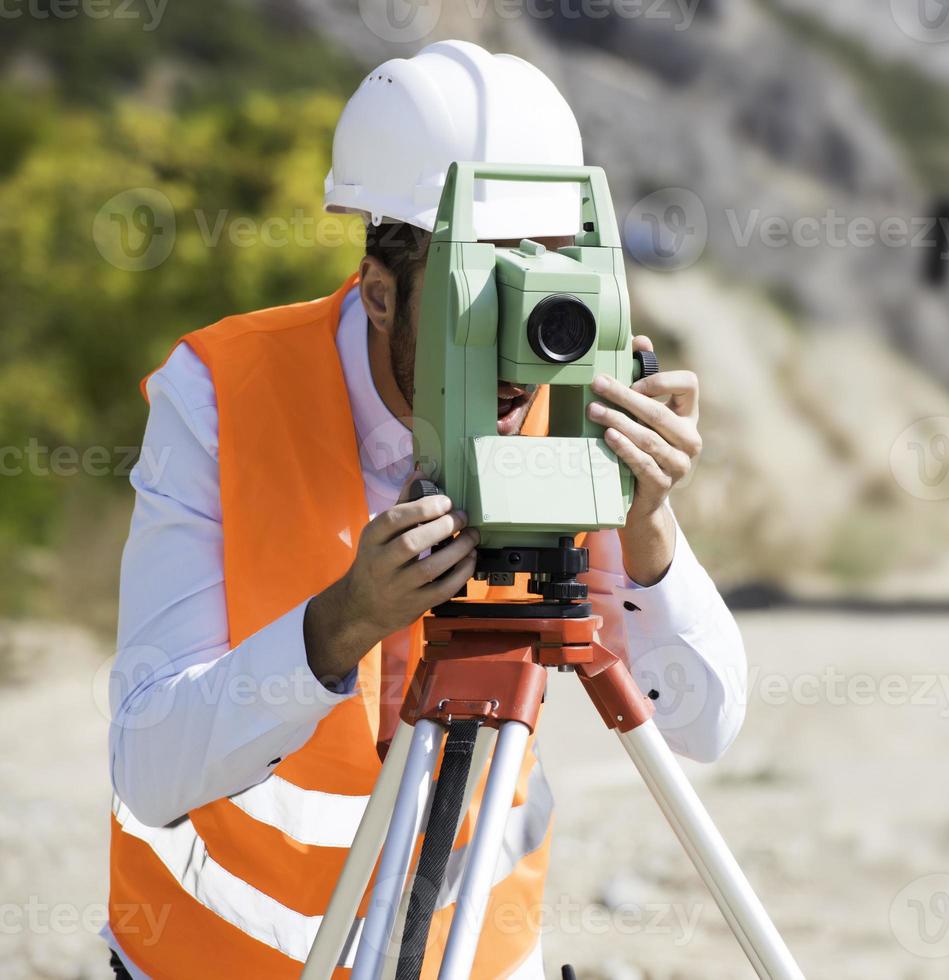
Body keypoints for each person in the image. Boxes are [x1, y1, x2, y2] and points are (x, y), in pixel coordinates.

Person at [104, 40, 746, 979]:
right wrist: (340, 625)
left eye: (539, 284)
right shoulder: (223, 397)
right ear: (377, 292)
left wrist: (645, 531)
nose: (512, 355)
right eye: (473, 302)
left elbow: (706, 724)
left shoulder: (570, 404)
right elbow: (148, 765)